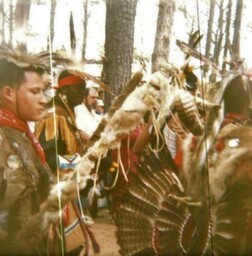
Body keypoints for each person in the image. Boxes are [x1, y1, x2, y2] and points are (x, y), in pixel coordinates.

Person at [0, 49, 55, 255]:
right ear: (8, 93)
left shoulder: (22, 134)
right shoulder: (3, 138)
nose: (43, 100)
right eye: (34, 91)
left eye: (43, 91)